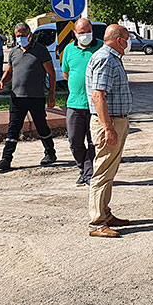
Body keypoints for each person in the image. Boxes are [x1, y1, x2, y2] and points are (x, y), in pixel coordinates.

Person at [86, 24, 134, 238]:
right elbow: (98, 96)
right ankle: (96, 222)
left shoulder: (113, 57)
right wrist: (108, 128)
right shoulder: (105, 58)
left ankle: (105, 212)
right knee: (102, 172)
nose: (129, 41)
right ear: (119, 40)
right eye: (127, 37)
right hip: (110, 123)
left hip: (117, 121)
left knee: (109, 171)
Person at [0, 23, 56, 171]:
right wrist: (2, 82)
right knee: (13, 128)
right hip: (16, 97)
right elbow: (9, 71)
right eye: (17, 35)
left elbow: (51, 74)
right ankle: (6, 159)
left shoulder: (40, 50)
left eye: (22, 35)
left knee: (41, 126)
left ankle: (50, 153)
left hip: (36, 97)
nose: (20, 38)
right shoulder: (14, 52)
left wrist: (51, 95)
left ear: (29, 34)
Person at [60, 18, 103, 186]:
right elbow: (66, 73)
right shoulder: (69, 50)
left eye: (88, 31)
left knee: (94, 142)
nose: (86, 35)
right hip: (74, 104)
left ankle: (89, 173)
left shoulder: (101, 47)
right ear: (75, 33)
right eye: (82, 33)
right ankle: (83, 169)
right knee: (74, 141)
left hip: (96, 106)